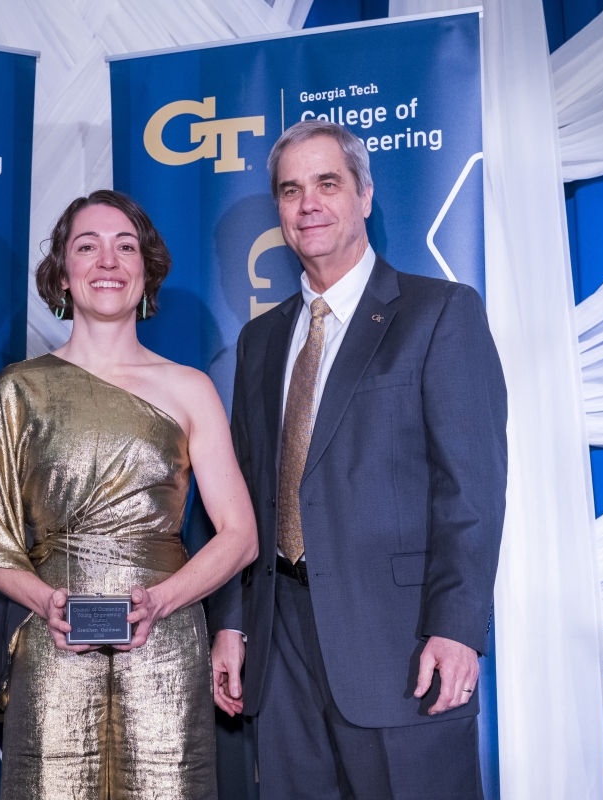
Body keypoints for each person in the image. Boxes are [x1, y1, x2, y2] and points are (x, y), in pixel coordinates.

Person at [209, 119, 507, 799]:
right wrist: (229, 619)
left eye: (326, 183)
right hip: (279, 647)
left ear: (365, 196)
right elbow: (243, 499)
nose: (307, 203)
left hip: (401, 645)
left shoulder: (439, 314)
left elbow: (473, 492)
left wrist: (457, 629)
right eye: (290, 190)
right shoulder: (259, 341)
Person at [0, 190, 258, 800]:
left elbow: (241, 535)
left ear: (147, 270)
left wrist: (163, 601)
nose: (108, 261)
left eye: (125, 246)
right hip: (53, 636)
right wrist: (48, 605)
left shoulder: (190, 388)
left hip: (167, 643)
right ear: (63, 274)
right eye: (87, 247)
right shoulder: (18, 390)